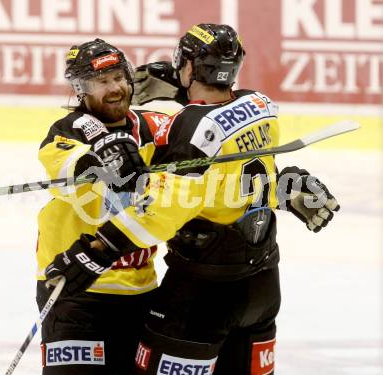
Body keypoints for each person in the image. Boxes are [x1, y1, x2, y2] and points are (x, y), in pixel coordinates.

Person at [64, 24, 338, 374]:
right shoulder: (262, 105)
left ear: (189, 68)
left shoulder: (190, 129)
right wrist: (282, 186)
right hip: (263, 286)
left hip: (203, 293)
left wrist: (100, 249)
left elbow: (161, 213)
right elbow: (237, 175)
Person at [35, 38, 173, 374]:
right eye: (101, 82)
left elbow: (203, 130)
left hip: (141, 291)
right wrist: (100, 162)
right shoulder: (66, 131)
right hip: (75, 288)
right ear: (81, 89)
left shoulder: (152, 127)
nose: (113, 89)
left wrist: (182, 94)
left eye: (118, 78)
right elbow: (69, 167)